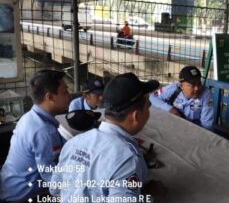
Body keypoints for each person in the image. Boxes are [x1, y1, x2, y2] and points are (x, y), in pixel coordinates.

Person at [50, 73, 160, 201]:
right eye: (148, 106)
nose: (149, 110)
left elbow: (55, 189)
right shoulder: (127, 159)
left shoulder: (73, 143)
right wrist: (148, 196)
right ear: (136, 116)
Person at [0, 70, 70, 202]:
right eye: (65, 91)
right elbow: (53, 180)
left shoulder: (28, 117)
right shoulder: (44, 131)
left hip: (9, 186)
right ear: (50, 97)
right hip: (23, 197)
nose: (69, 95)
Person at [150, 65, 214, 130]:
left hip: (194, 130)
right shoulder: (173, 89)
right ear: (181, 86)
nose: (197, 88)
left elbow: (207, 124)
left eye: (199, 84)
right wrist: (169, 109)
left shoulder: (207, 95)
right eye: (193, 85)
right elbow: (151, 97)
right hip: (172, 125)